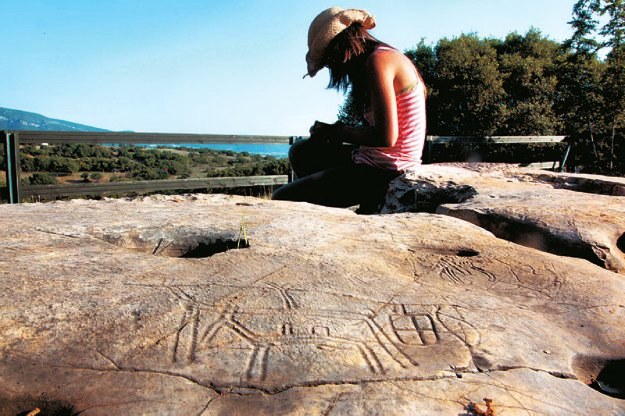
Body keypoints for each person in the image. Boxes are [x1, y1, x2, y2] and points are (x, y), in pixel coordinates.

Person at [272, 7, 427, 213]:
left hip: (389, 170)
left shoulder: (379, 60)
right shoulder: (379, 58)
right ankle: (326, 211)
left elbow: (386, 137)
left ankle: (343, 208)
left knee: (283, 199)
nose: (332, 66)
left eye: (329, 59)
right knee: (302, 151)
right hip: (374, 161)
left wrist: (339, 132)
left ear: (339, 45)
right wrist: (332, 132)